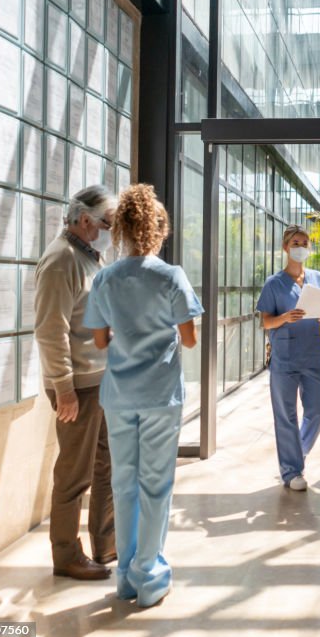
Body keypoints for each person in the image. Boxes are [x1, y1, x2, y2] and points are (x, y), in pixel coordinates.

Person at [83, 184, 203, 607]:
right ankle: (149, 577)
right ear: (157, 227)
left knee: (124, 483)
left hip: (118, 395)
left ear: (120, 230)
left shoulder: (105, 277)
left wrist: (126, 331)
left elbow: (99, 340)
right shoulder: (171, 277)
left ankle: (126, 579)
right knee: (155, 485)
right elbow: (188, 340)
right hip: (159, 395)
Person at [35, 185, 118, 580]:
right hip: (78, 388)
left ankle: (105, 544)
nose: (110, 231)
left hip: (98, 381)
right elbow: (51, 330)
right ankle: (66, 554)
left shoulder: (88, 257)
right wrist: (63, 388)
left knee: (105, 465)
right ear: (85, 221)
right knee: (74, 473)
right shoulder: (60, 261)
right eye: (107, 223)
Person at [256, 225, 320, 491]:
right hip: (285, 358)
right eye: (295, 242)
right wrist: (286, 317)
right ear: (286, 247)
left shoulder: (317, 278)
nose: (300, 247)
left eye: (304, 243)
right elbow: (266, 323)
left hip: (312, 354)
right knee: (286, 415)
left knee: (317, 411)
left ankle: (297, 451)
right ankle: (292, 471)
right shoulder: (273, 283)